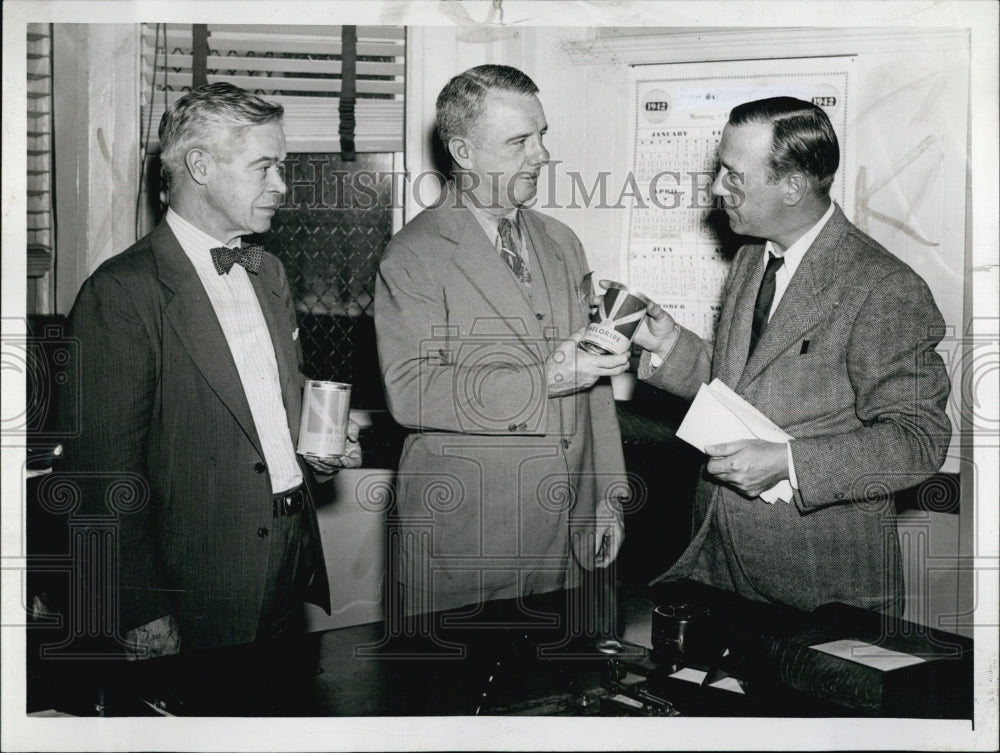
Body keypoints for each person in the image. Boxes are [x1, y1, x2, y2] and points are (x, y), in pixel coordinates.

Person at [58, 83, 361, 699]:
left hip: (287, 555)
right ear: (200, 166)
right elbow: (101, 474)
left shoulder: (268, 271)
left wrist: (317, 445)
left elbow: (258, 404)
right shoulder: (122, 293)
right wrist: (139, 607)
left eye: (283, 166)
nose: (281, 185)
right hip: (192, 581)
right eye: (265, 167)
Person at [631, 96, 951, 615]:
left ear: (793, 187)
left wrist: (788, 464)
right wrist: (672, 348)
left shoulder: (883, 287)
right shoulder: (754, 257)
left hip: (819, 585)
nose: (716, 188)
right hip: (718, 560)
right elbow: (748, 384)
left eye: (733, 176)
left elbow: (919, 439)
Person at [374, 64, 629, 642]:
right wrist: (552, 376)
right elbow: (413, 392)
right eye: (519, 142)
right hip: (465, 538)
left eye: (542, 135)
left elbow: (596, 385)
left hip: (565, 533)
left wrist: (607, 497)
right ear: (463, 151)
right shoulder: (412, 255)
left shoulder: (561, 241)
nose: (541, 155)